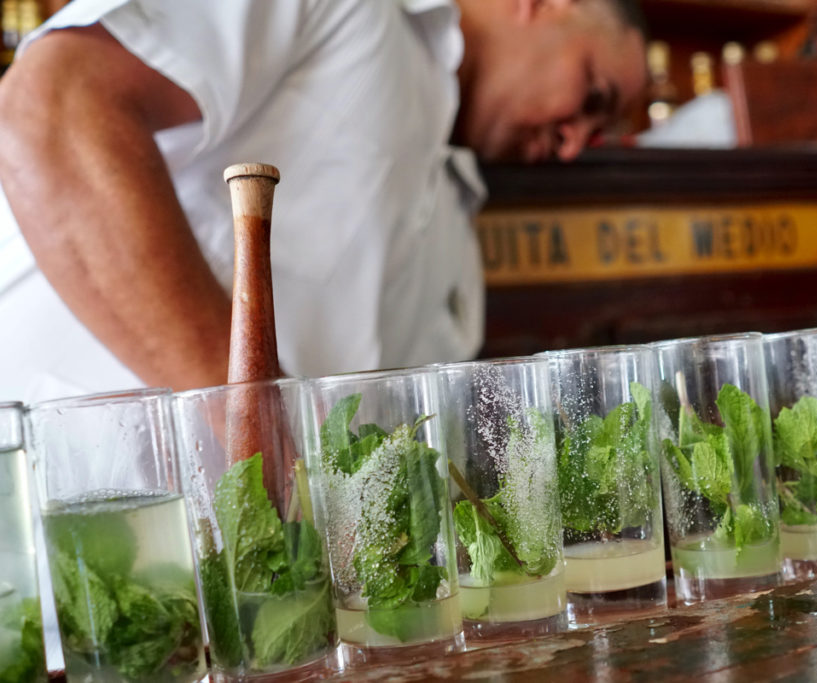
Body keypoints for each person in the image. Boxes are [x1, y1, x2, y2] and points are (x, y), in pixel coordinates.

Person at [0, 0, 647, 402]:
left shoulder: (454, 226)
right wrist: (256, 424)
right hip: (59, 543)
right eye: (593, 96)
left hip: (263, 601)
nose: (574, 147)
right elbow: (48, 108)